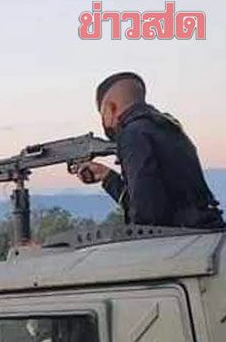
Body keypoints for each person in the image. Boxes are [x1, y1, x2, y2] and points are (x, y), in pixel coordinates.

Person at [74, 72, 224, 229]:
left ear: (110, 108)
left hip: (183, 239)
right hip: (207, 231)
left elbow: (147, 217)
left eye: (102, 114)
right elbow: (154, 199)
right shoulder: (167, 127)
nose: (104, 122)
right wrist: (107, 177)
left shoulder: (133, 134)